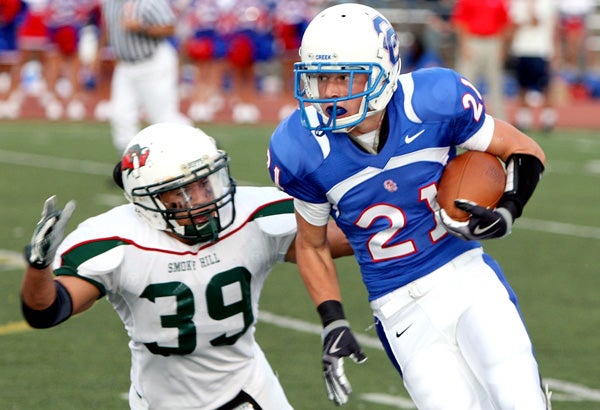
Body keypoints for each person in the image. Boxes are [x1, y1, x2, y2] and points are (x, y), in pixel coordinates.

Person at [267, 3, 551, 409]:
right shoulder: (301, 147)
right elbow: (312, 245)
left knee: (517, 394)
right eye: (321, 78)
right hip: (398, 307)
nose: (329, 92)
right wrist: (333, 321)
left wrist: (508, 209)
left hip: (466, 277)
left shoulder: (433, 100)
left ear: (384, 72)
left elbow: (523, 149)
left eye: (346, 78)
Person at [20, 122, 353, 409]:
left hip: (249, 386)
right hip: (162, 401)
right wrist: (39, 266)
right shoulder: (116, 239)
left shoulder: (250, 215)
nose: (204, 199)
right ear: (149, 200)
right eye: (184, 192)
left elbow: (337, 240)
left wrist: (385, 203)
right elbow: (46, 310)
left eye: (205, 182)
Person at [98, 0, 190, 152]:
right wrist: (100, 51)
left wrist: (141, 27)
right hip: (125, 65)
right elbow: (108, 27)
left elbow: (170, 27)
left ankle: (200, 145)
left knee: (163, 117)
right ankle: (129, 166)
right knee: (121, 115)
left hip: (152, 62)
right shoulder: (110, 3)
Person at [451, 0, 511, 120]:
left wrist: (503, 47)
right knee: (465, 82)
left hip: (493, 41)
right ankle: (460, 119)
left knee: (496, 84)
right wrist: (464, 44)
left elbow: (504, 23)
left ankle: (501, 120)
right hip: (473, 40)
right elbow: (459, 22)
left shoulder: (498, 2)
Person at [509, 0, 559, 131]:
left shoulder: (546, 3)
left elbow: (542, 22)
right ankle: (524, 119)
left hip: (541, 50)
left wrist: (555, 50)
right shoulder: (517, 3)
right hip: (521, 49)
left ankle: (548, 118)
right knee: (522, 86)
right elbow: (513, 24)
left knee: (545, 86)